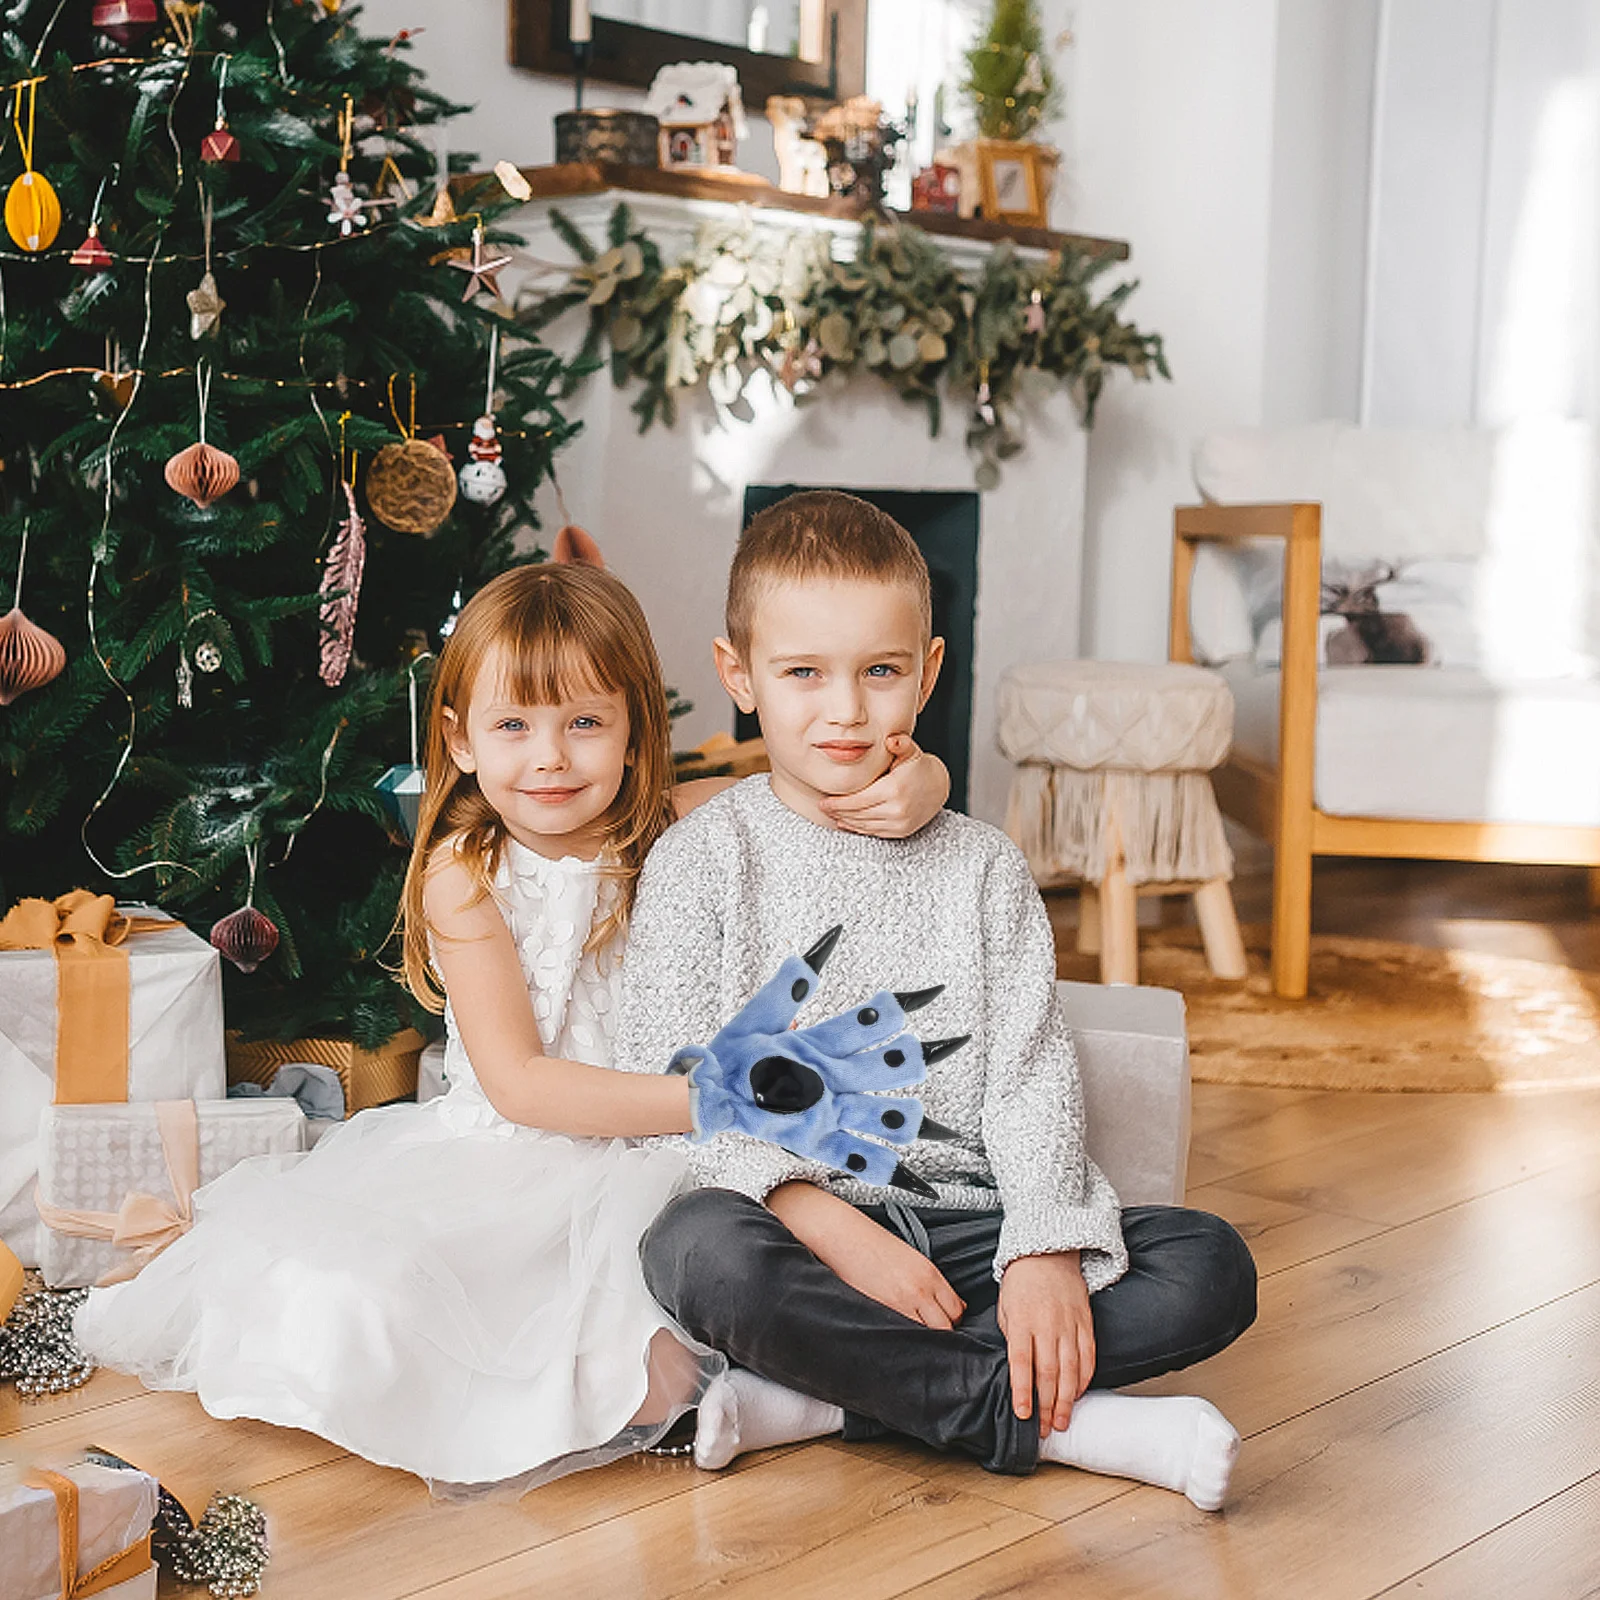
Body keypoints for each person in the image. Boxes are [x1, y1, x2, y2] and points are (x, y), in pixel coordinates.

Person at [73, 556, 948, 1495]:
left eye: (584, 723)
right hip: (518, 1156)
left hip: (662, 1161)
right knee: (366, 1311)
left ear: (633, 729)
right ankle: (786, 1402)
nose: (551, 758)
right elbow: (521, 1083)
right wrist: (718, 1102)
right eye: (513, 726)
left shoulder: (677, 828)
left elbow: (823, 789)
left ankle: (792, 1399)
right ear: (458, 739)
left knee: (664, 1340)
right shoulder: (464, 873)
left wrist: (926, 777)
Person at [616, 491, 1258, 1510]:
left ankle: (825, 1399)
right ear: (738, 676)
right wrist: (824, 1220)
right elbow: (675, 1084)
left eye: (880, 670)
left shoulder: (983, 868)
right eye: (801, 673)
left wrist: (1043, 1245)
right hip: (793, 1232)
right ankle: (1063, 1427)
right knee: (694, 1251)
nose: (845, 709)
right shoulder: (701, 863)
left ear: (929, 669)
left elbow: (1031, 1071)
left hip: (973, 1226)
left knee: (1208, 1264)